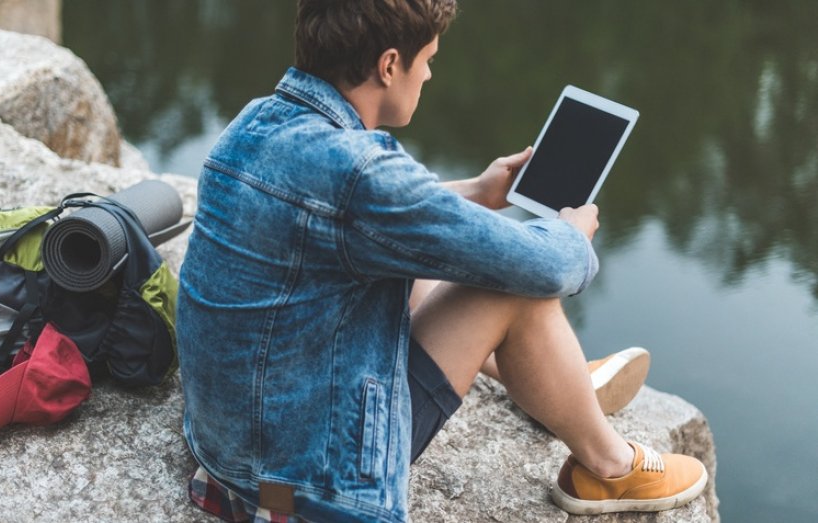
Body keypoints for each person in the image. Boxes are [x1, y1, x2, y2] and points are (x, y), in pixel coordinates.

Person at [176, 1, 707, 521]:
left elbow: (348, 217)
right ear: (389, 65)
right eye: (427, 59)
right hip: (303, 492)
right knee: (514, 290)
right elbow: (547, 267)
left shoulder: (256, 123)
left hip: (225, 459)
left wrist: (476, 192)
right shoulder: (362, 172)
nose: (428, 74)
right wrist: (572, 236)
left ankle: (546, 379)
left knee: (428, 255)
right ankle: (609, 467)